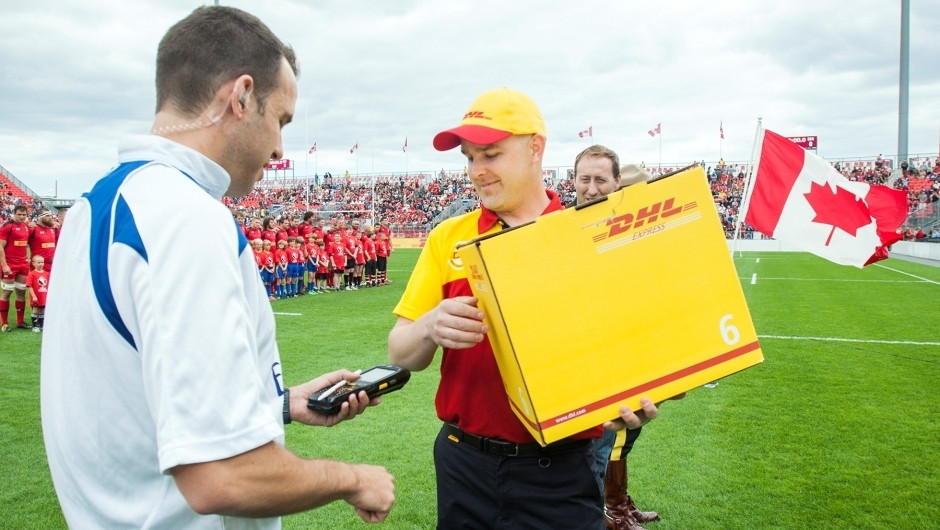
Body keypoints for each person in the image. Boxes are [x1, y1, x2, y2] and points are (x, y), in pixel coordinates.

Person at [39, 6, 394, 528]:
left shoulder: (95, 205)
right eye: (281, 120)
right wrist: (353, 478)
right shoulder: (184, 218)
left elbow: (134, 398)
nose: (278, 149)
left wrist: (275, 404)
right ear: (241, 96)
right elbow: (219, 476)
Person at [388, 87, 659, 529]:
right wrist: (429, 326)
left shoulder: (589, 235)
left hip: (562, 470)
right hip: (463, 463)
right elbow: (400, 353)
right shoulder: (447, 237)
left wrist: (638, 390)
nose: (477, 171)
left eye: (491, 155)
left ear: (535, 148)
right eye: (470, 158)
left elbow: (632, 348)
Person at [573, 146, 659, 530]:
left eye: (600, 180)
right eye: (585, 179)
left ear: (616, 185)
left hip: (623, 359)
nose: (592, 188)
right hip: (582, 369)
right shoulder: (565, 229)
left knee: (616, 443)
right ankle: (610, 512)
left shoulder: (631, 233)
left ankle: (614, 507)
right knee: (595, 456)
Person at [0, 204, 31, 331]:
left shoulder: (26, 226)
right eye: (19, 214)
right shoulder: (7, 226)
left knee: (21, 292)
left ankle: (20, 321)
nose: (22, 217)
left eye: (24, 215)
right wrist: (4, 265)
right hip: (10, 264)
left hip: (23, 264)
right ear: (14, 213)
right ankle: (5, 324)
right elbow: (0, 247)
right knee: (7, 292)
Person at [28, 209, 59, 273]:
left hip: (53, 266)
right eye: (47, 216)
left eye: (51, 215)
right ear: (40, 217)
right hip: (39, 266)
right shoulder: (33, 229)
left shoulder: (53, 229)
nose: (50, 218)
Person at [25, 254, 50, 332]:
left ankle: (41, 325)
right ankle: (35, 326)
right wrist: (34, 296)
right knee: (35, 310)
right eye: (39, 262)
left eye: (42, 262)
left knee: (42, 310)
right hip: (36, 296)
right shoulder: (32, 274)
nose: (41, 264)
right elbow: (30, 286)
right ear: (33, 263)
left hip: (44, 296)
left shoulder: (47, 274)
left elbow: (49, 285)